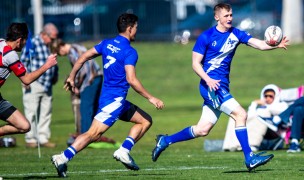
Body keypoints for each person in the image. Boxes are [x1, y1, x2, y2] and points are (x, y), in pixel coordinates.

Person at [151, 3, 289, 172]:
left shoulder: (236, 34)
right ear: (217, 17)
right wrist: (208, 79)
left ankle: (165, 141)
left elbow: (260, 44)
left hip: (221, 87)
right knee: (241, 114)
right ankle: (249, 157)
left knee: (202, 130)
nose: (230, 18)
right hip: (211, 87)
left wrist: (275, 44)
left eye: (231, 15)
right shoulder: (206, 37)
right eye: (226, 16)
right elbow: (195, 64)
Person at [51, 13, 164, 177]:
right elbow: (131, 80)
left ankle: (124, 151)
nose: (136, 32)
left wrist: (71, 76)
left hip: (115, 100)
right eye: (136, 28)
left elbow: (83, 57)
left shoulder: (106, 44)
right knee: (93, 134)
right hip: (114, 102)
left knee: (145, 120)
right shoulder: (130, 52)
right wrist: (151, 98)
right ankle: (62, 157)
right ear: (130, 28)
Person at [52, 39, 119, 148]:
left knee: (85, 108)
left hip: (89, 80)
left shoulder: (72, 52)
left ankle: (86, 137)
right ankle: (95, 134)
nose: (61, 55)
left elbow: (83, 69)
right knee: (93, 107)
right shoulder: (77, 45)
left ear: (60, 47)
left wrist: (75, 84)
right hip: (98, 76)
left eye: (59, 53)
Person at [0, 23, 57, 138]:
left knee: (24, 126)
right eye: (25, 40)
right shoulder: (10, 55)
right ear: (20, 40)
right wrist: (47, 65)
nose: (26, 44)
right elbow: (26, 79)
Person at [20, 23, 59, 148]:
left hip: (48, 84)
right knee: (31, 112)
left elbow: (54, 62)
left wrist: (55, 75)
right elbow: (23, 62)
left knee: (45, 113)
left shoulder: (50, 45)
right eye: (52, 38)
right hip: (34, 83)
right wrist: (24, 80)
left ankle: (43, 138)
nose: (54, 40)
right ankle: (31, 139)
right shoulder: (33, 43)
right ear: (44, 34)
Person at [223, 84, 288, 152]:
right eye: (265, 96)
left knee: (264, 113)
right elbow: (250, 116)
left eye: (270, 96)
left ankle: (253, 144)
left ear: (276, 96)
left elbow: (277, 111)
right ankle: (230, 145)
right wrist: (254, 104)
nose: (267, 98)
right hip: (259, 127)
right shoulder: (260, 107)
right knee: (236, 118)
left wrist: (265, 108)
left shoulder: (282, 105)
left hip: (274, 130)